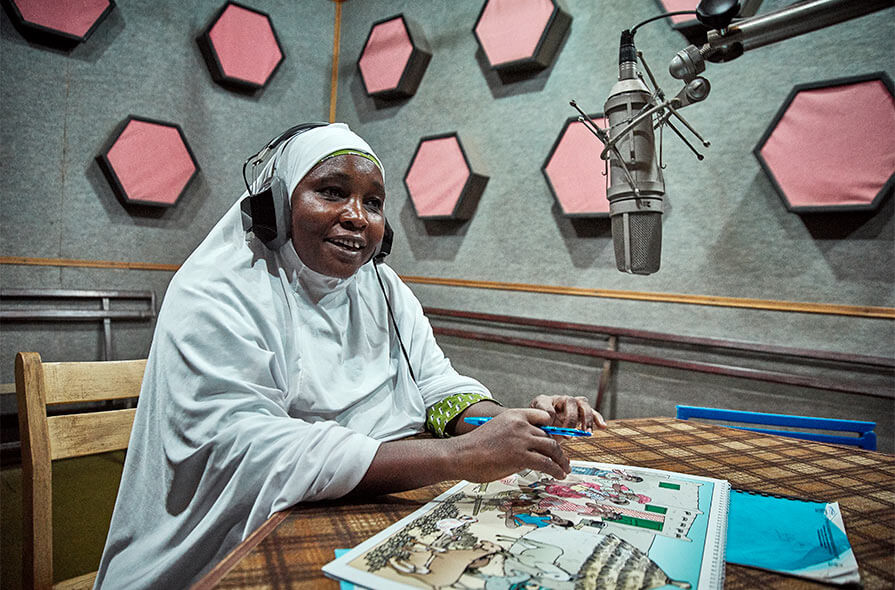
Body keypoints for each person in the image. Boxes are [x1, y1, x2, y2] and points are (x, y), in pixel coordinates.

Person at [93, 123, 605, 589]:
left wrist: (514, 422)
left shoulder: (382, 286)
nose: (357, 217)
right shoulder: (215, 291)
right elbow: (251, 452)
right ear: (275, 204)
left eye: (374, 203)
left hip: (362, 511)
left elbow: (437, 388)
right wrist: (457, 457)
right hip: (225, 549)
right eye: (332, 192)